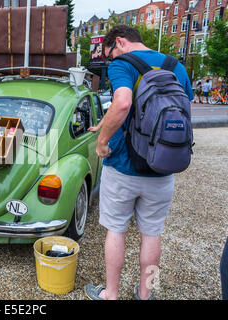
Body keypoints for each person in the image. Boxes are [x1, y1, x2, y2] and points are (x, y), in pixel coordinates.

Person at [84, 25, 193, 300]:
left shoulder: (123, 64)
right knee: (152, 234)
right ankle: (146, 293)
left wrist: (102, 142)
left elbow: (122, 104)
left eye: (109, 55)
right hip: (162, 166)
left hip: (123, 167)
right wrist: (105, 124)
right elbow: (181, 108)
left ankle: (110, 293)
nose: (110, 61)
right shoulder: (175, 66)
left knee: (116, 230)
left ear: (119, 42)